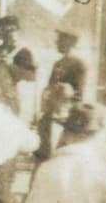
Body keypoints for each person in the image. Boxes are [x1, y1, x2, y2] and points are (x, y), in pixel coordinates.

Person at [36, 30, 87, 161]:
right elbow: (49, 87)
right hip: (52, 111)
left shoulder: (78, 65)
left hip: (66, 113)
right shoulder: (58, 64)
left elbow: (79, 93)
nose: (57, 43)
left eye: (60, 40)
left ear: (69, 43)